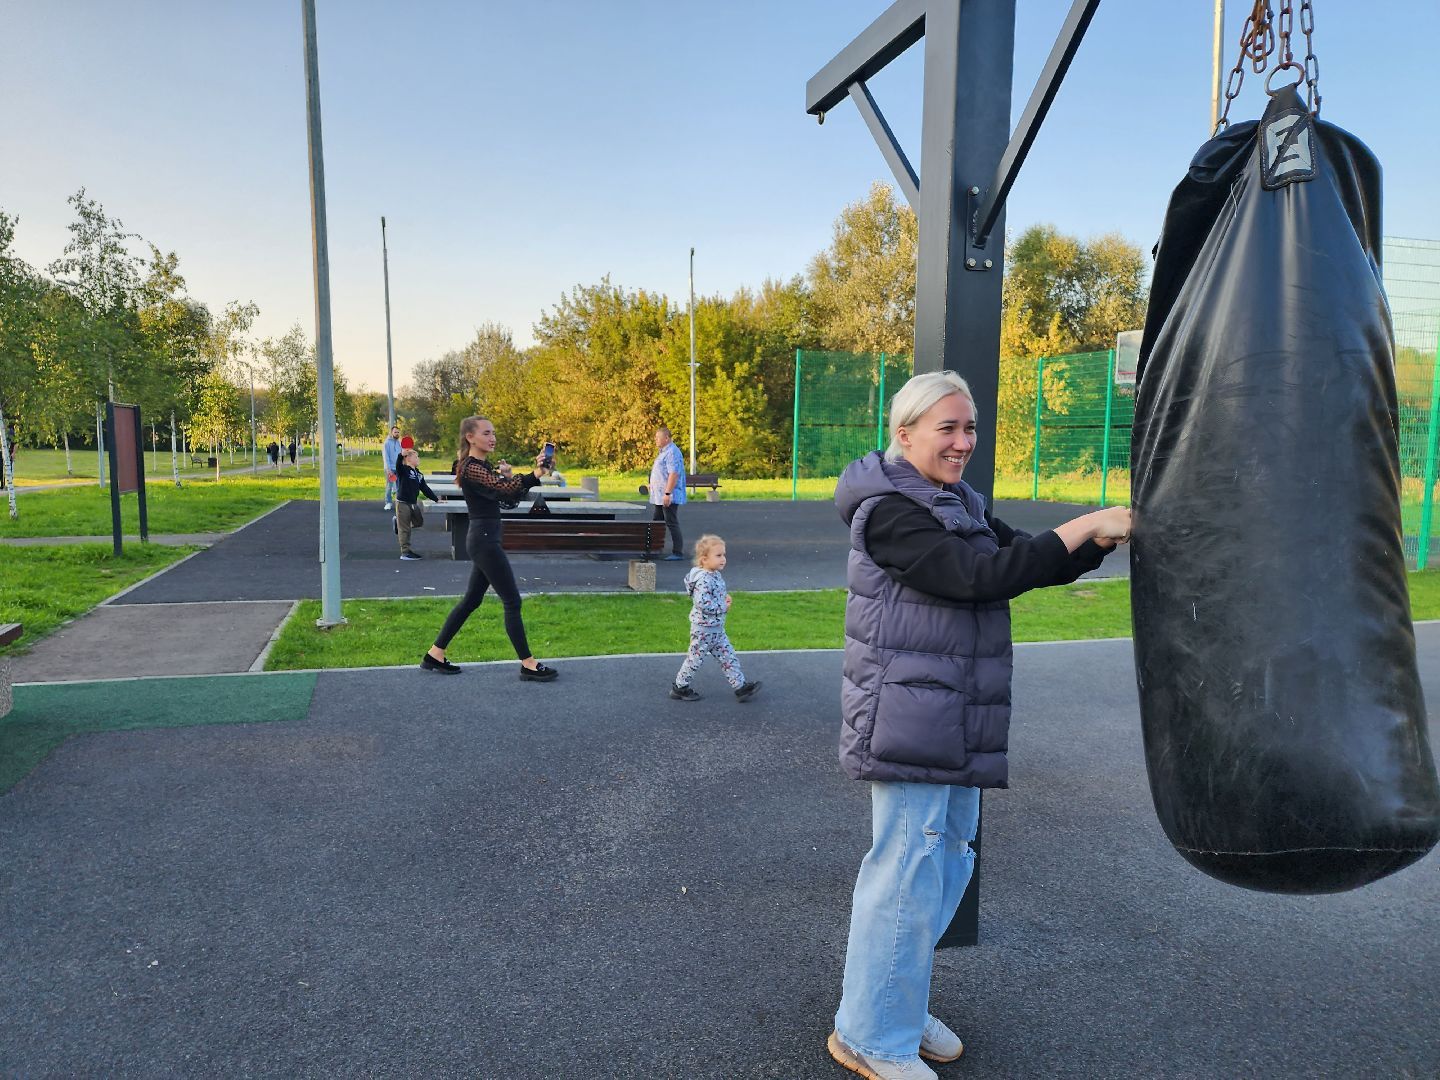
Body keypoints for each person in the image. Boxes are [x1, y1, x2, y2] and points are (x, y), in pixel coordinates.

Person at [827, 371, 1131, 1080]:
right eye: (948, 428)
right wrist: (1083, 524)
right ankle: (871, 1034)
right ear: (904, 435)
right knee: (905, 871)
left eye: (970, 429)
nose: (964, 442)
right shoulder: (890, 512)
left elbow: (1020, 560)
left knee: (947, 862)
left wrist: (1099, 538)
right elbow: (975, 578)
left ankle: (889, 1003)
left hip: (954, 712)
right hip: (909, 716)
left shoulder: (955, 499)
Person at [422, 415, 559, 682]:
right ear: (470, 437)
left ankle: (435, 654)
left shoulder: (483, 467)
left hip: (486, 537)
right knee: (512, 601)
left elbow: (507, 499)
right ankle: (528, 663)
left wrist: (513, 478)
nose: (492, 437)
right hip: (484, 540)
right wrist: (534, 474)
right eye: (486, 433)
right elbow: (502, 489)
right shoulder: (471, 466)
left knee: (472, 600)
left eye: (493, 432)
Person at [669, 534, 761, 703]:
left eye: (724, 554)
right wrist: (722, 607)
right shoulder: (703, 579)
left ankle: (740, 687)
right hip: (704, 630)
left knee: (729, 657)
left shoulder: (715, 575)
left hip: (717, 629)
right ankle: (679, 687)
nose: (723, 559)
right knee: (694, 660)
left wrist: (725, 598)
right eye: (718, 555)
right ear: (704, 560)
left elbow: (715, 595)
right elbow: (702, 603)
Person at [648, 425, 687, 560]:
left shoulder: (672, 452)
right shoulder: (663, 452)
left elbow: (674, 474)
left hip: (668, 496)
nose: (656, 440)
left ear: (666, 438)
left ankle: (677, 552)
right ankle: (654, 549)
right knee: (657, 522)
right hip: (660, 496)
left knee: (671, 521)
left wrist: (667, 493)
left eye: (658, 438)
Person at [394, 447, 438, 561]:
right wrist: (400, 455)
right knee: (405, 530)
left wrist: (436, 499)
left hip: (413, 503)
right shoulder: (403, 470)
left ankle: (397, 523)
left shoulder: (419, 474)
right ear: (408, 459)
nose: (418, 459)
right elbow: (397, 467)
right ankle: (405, 552)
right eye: (416, 457)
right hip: (402, 503)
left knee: (418, 522)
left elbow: (425, 488)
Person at [381, 425, 401, 508]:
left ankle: (399, 502)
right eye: (395, 432)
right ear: (391, 433)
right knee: (389, 486)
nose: (397, 433)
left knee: (399, 486)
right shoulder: (387, 443)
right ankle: (388, 503)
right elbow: (386, 457)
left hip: (398, 468)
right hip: (390, 468)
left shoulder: (398, 443)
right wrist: (388, 469)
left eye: (398, 432)